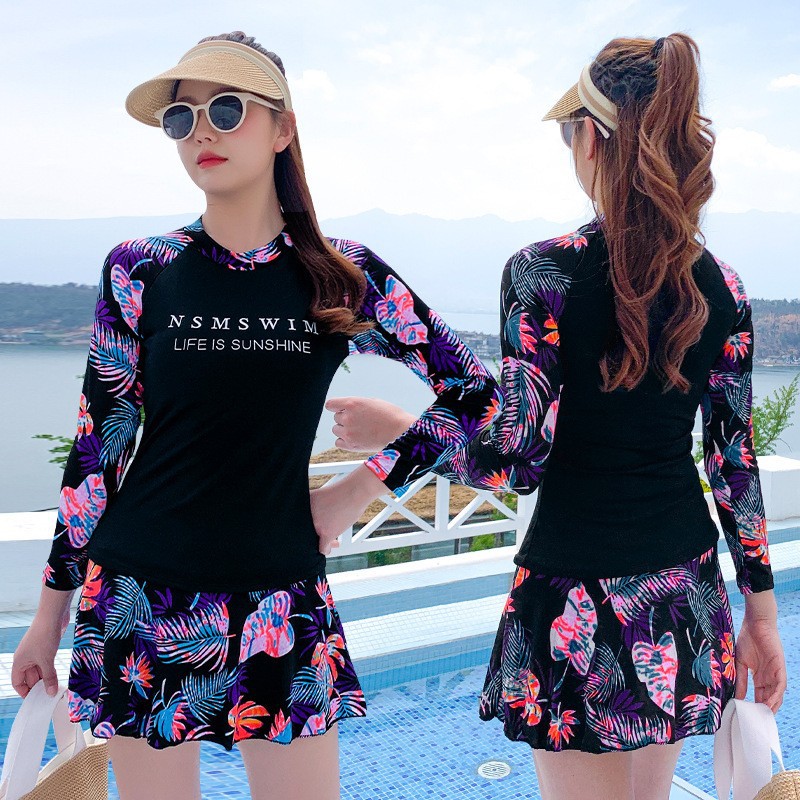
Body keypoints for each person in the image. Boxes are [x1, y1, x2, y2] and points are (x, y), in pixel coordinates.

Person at [10, 32, 500, 800]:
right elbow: (98, 448)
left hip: (282, 596)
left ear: (282, 128)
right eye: (182, 117)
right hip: (140, 595)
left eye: (228, 109)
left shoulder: (341, 276)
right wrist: (48, 618)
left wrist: (358, 488)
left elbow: (476, 393)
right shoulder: (142, 268)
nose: (201, 131)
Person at [325, 33, 788, 800]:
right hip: (682, 591)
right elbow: (732, 463)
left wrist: (399, 429)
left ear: (593, 139)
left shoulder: (542, 272)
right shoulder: (721, 288)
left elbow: (517, 459)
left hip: (576, 593)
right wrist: (762, 616)